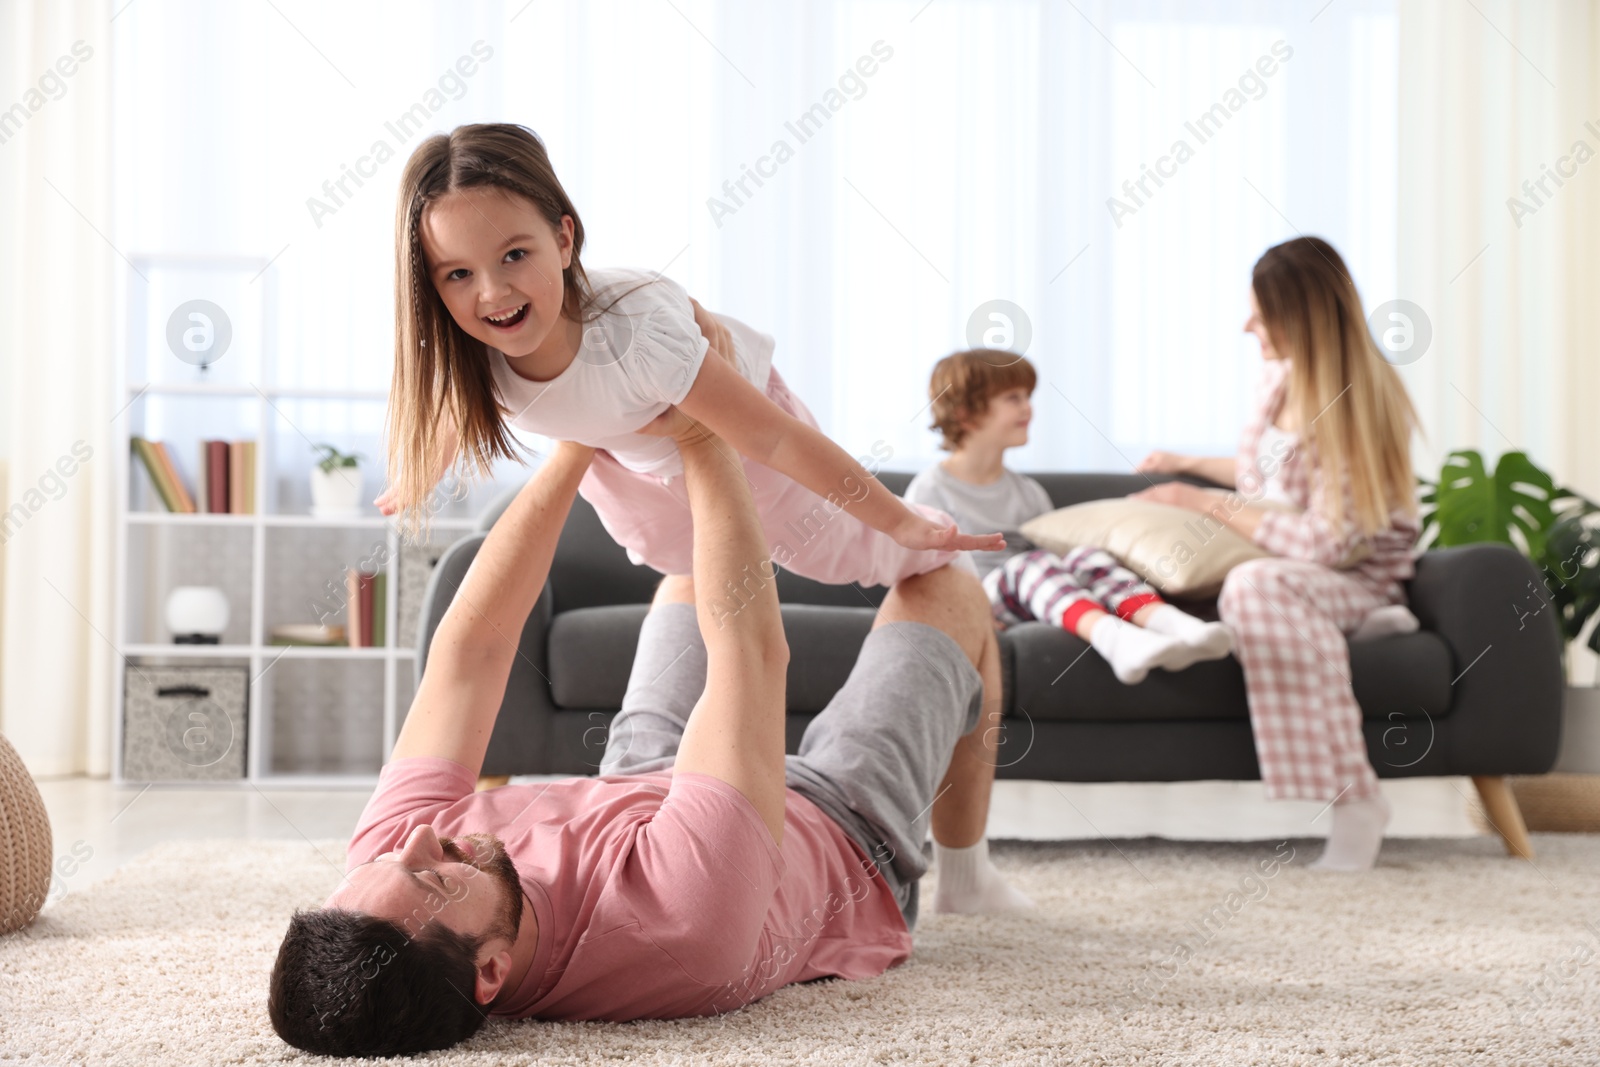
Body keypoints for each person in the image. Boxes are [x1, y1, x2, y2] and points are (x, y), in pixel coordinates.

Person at [267, 410, 1027, 1058]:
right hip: (842, 832)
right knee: (946, 583)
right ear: (490, 974)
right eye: (434, 876)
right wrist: (706, 437)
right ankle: (961, 871)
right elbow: (751, 655)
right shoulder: (680, 926)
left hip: (645, 785)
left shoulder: (390, 867)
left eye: (385, 859)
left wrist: (574, 443)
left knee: (684, 574)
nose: (420, 839)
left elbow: (468, 656)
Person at [375, 122, 1001, 589]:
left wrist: (896, 521)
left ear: (564, 239)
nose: (493, 292)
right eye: (458, 273)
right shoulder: (469, 353)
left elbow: (776, 442)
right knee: (671, 557)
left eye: (515, 255)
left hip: (735, 423)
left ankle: (937, 543)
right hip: (629, 456)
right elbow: (457, 414)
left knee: (830, 556)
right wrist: (421, 473)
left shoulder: (637, 339)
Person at [1133, 236, 1422, 872]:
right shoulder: (1282, 381)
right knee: (1226, 575)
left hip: (1356, 575)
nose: (1246, 326)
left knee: (1252, 586)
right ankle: (1348, 630)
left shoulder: (1354, 406)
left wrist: (1200, 502)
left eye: (1259, 315)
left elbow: (1328, 543)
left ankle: (1356, 799)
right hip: (1308, 570)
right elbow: (1267, 482)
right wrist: (1186, 467)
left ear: (1300, 317)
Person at [904, 350, 1232, 684]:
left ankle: (1171, 625)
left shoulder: (1028, 491)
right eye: (1012, 397)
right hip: (985, 598)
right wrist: (968, 613)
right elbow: (920, 571)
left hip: (1041, 594)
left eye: (1028, 396)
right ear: (966, 415)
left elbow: (1059, 559)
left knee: (1087, 556)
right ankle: (1113, 638)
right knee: (1028, 563)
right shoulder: (931, 489)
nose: (1027, 408)